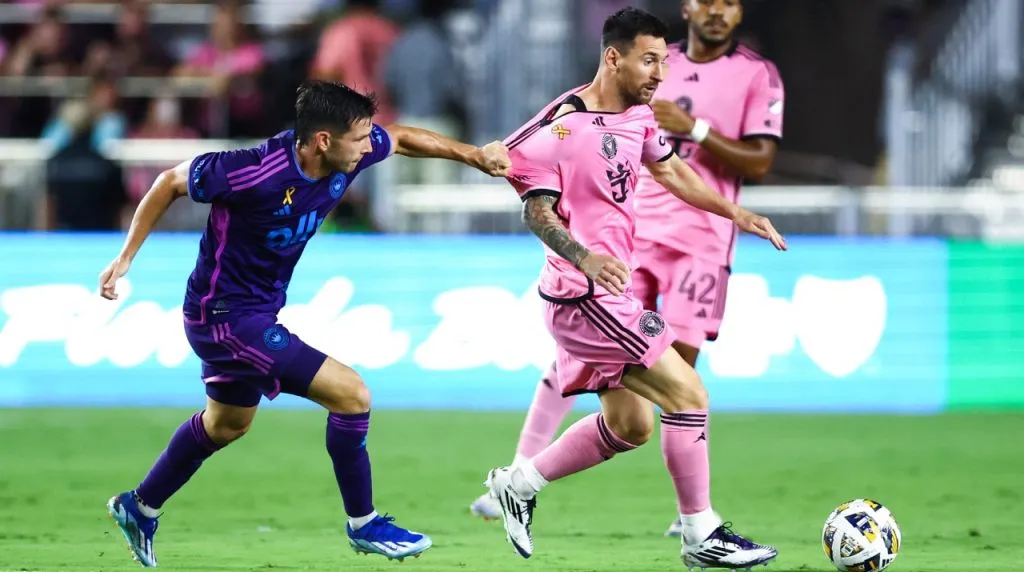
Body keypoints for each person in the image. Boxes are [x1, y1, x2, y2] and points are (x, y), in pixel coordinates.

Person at [99, 80, 511, 568]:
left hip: (253, 312)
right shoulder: (251, 170)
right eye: (359, 138)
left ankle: (138, 506)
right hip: (224, 318)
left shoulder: (347, 152)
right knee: (352, 394)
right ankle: (365, 523)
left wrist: (473, 156)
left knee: (227, 424)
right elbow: (169, 182)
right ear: (322, 141)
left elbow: (399, 137)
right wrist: (125, 258)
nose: (367, 146)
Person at [482, 8, 785, 569]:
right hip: (582, 295)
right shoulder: (562, 121)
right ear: (613, 57)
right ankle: (700, 534)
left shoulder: (642, 118)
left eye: (665, 62)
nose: (660, 73)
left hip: (608, 294)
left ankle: (517, 484)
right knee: (689, 393)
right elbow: (536, 210)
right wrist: (585, 257)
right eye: (650, 60)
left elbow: (672, 174)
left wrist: (735, 212)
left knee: (631, 424)